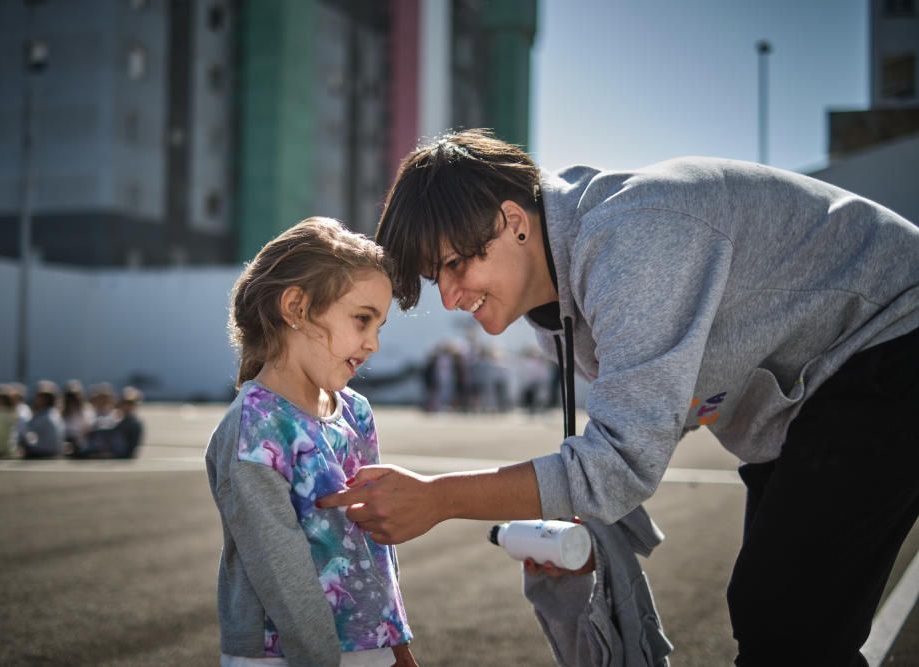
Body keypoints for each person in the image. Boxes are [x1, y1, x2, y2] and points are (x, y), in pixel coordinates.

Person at [317, 129, 919, 666]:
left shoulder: (631, 239)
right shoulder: (558, 304)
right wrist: (583, 535)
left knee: (786, 622)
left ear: (512, 221)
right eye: (434, 277)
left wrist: (439, 498)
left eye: (453, 264)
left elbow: (620, 462)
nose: (450, 297)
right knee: (780, 617)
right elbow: (643, 424)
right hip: (815, 396)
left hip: (893, 346)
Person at [205, 217, 417, 667]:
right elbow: (283, 578)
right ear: (297, 308)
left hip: (370, 646)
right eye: (362, 320)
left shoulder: (356, 412)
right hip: (281, 657)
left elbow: (377, 547)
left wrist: (396, 644)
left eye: (379, 326)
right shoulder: (254, 430)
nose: (373, 343)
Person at [19, 380, 66, 458]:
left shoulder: (45, 416)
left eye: (38, 397)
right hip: (55, 451)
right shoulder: (55, 413)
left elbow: (26, 430)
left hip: (46, 452)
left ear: (45, 399)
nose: (36, 400)